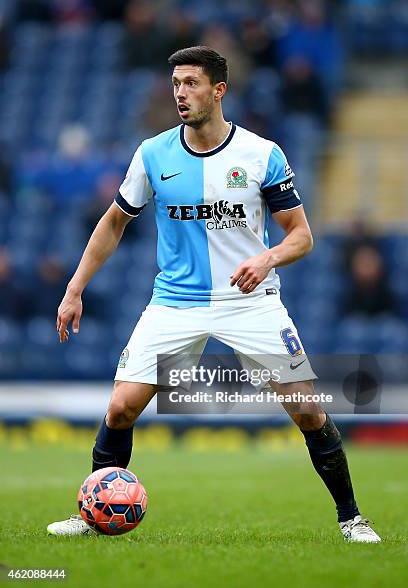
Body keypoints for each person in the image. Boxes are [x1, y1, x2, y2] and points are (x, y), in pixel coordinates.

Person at [47, 46, 380, 543]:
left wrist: (265, 258)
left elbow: (301, 235)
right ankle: (93, 512)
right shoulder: (153, 154)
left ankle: (352, 518)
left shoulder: (262, 154)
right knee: (120, 409)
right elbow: (114, 222)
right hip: (175, 302)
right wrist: (75, 288)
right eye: (176, 84)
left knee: (308, 410)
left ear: (219, 90)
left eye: (192, 83)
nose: (181, 93)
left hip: (252, 302)